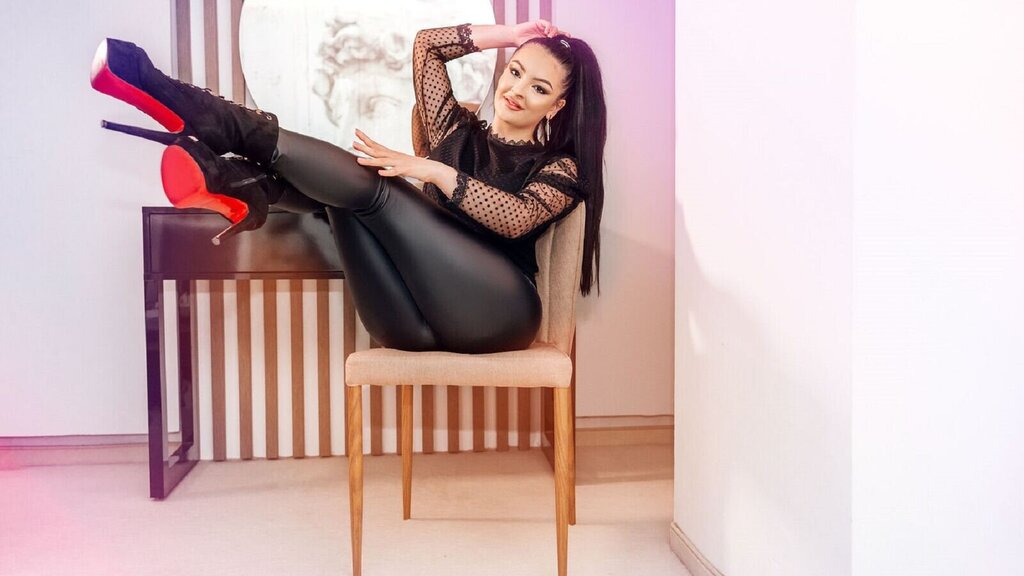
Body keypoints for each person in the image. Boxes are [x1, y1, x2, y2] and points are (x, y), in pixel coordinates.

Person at [91, 20, 606, 354]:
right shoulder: (455, 131)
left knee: (374, 187)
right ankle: (244, 183)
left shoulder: (561, 168)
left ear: (556, 106)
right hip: (408, 324)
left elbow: (515, 217)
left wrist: (429, 170)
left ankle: (220, 140)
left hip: (499, 314)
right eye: (515, 72)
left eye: (539, 87)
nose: (517, 90)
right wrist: (510, 34)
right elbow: (427, 47)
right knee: (345, 201)